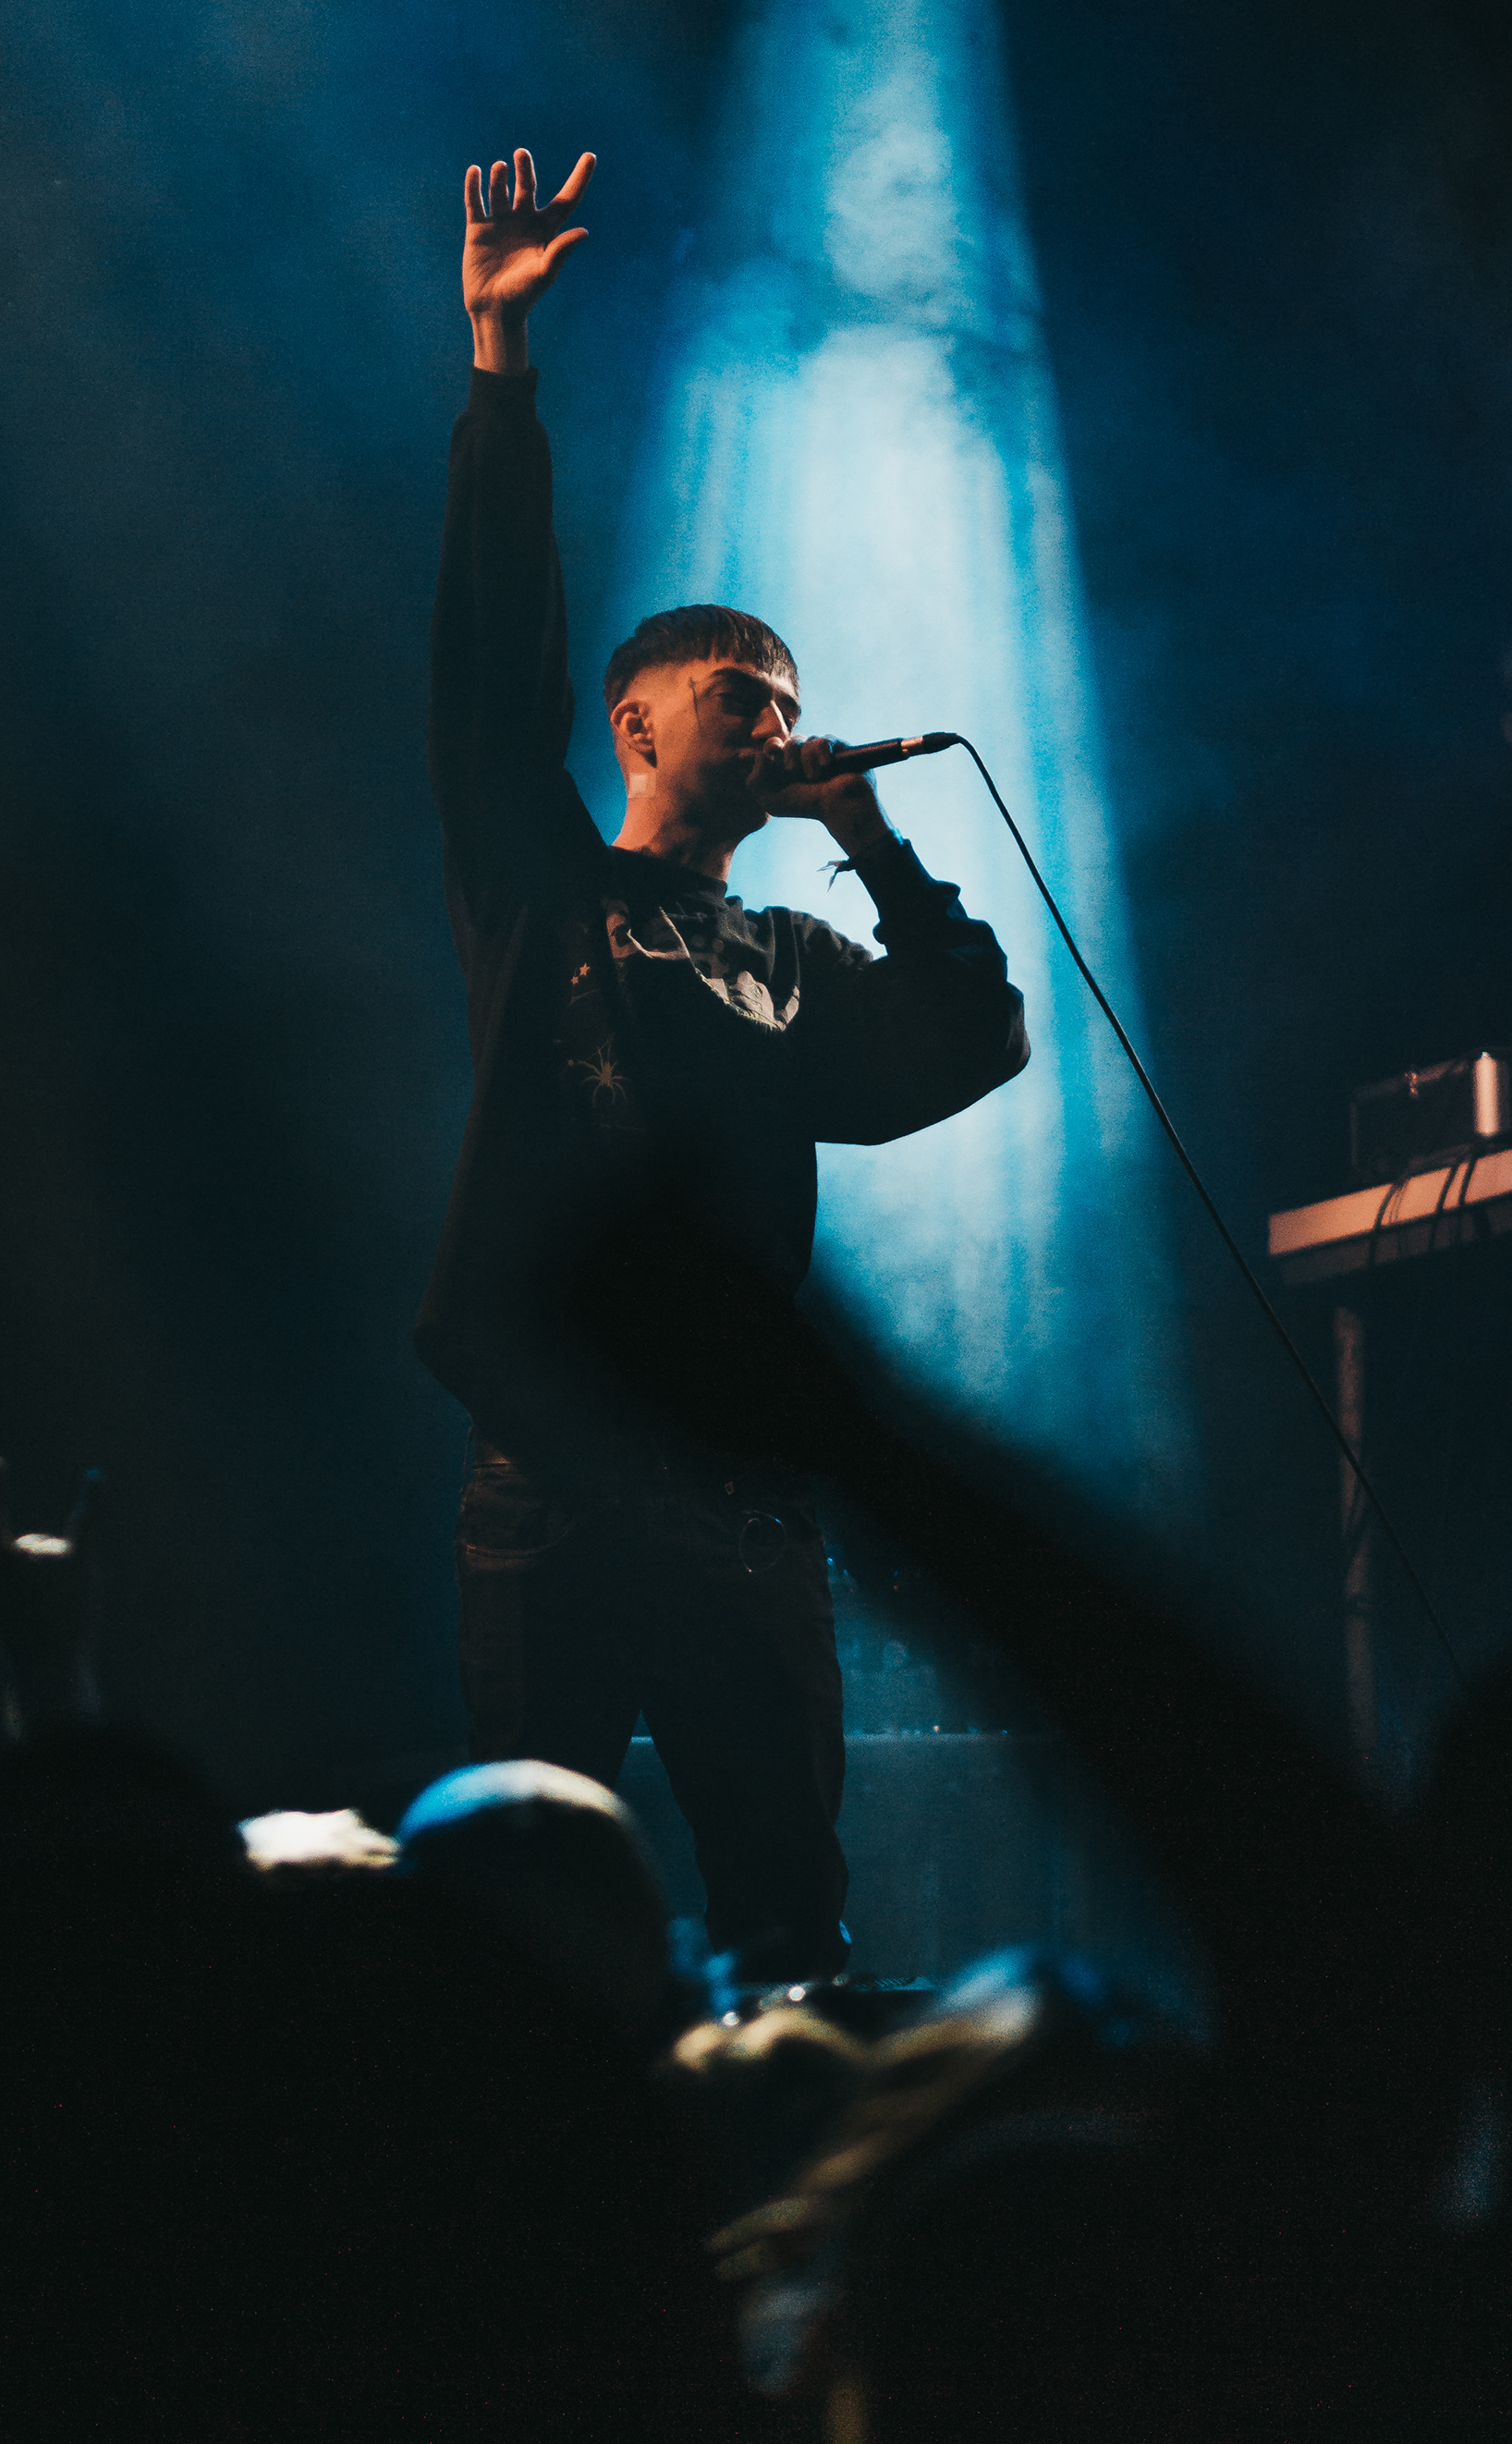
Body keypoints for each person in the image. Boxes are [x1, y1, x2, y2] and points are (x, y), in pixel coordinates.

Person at [418, 143, 1029, 1979]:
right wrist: (502, 370)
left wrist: (874, 839)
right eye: (747, 700)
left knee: (785, 1913)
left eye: (791, 706)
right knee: (527, 1917)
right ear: (639, 722)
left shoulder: (794, 963)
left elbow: (972, 1042)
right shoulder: (544, 886)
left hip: (739, 1495)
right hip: (556, 1463)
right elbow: (486, 668)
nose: (779, 727)